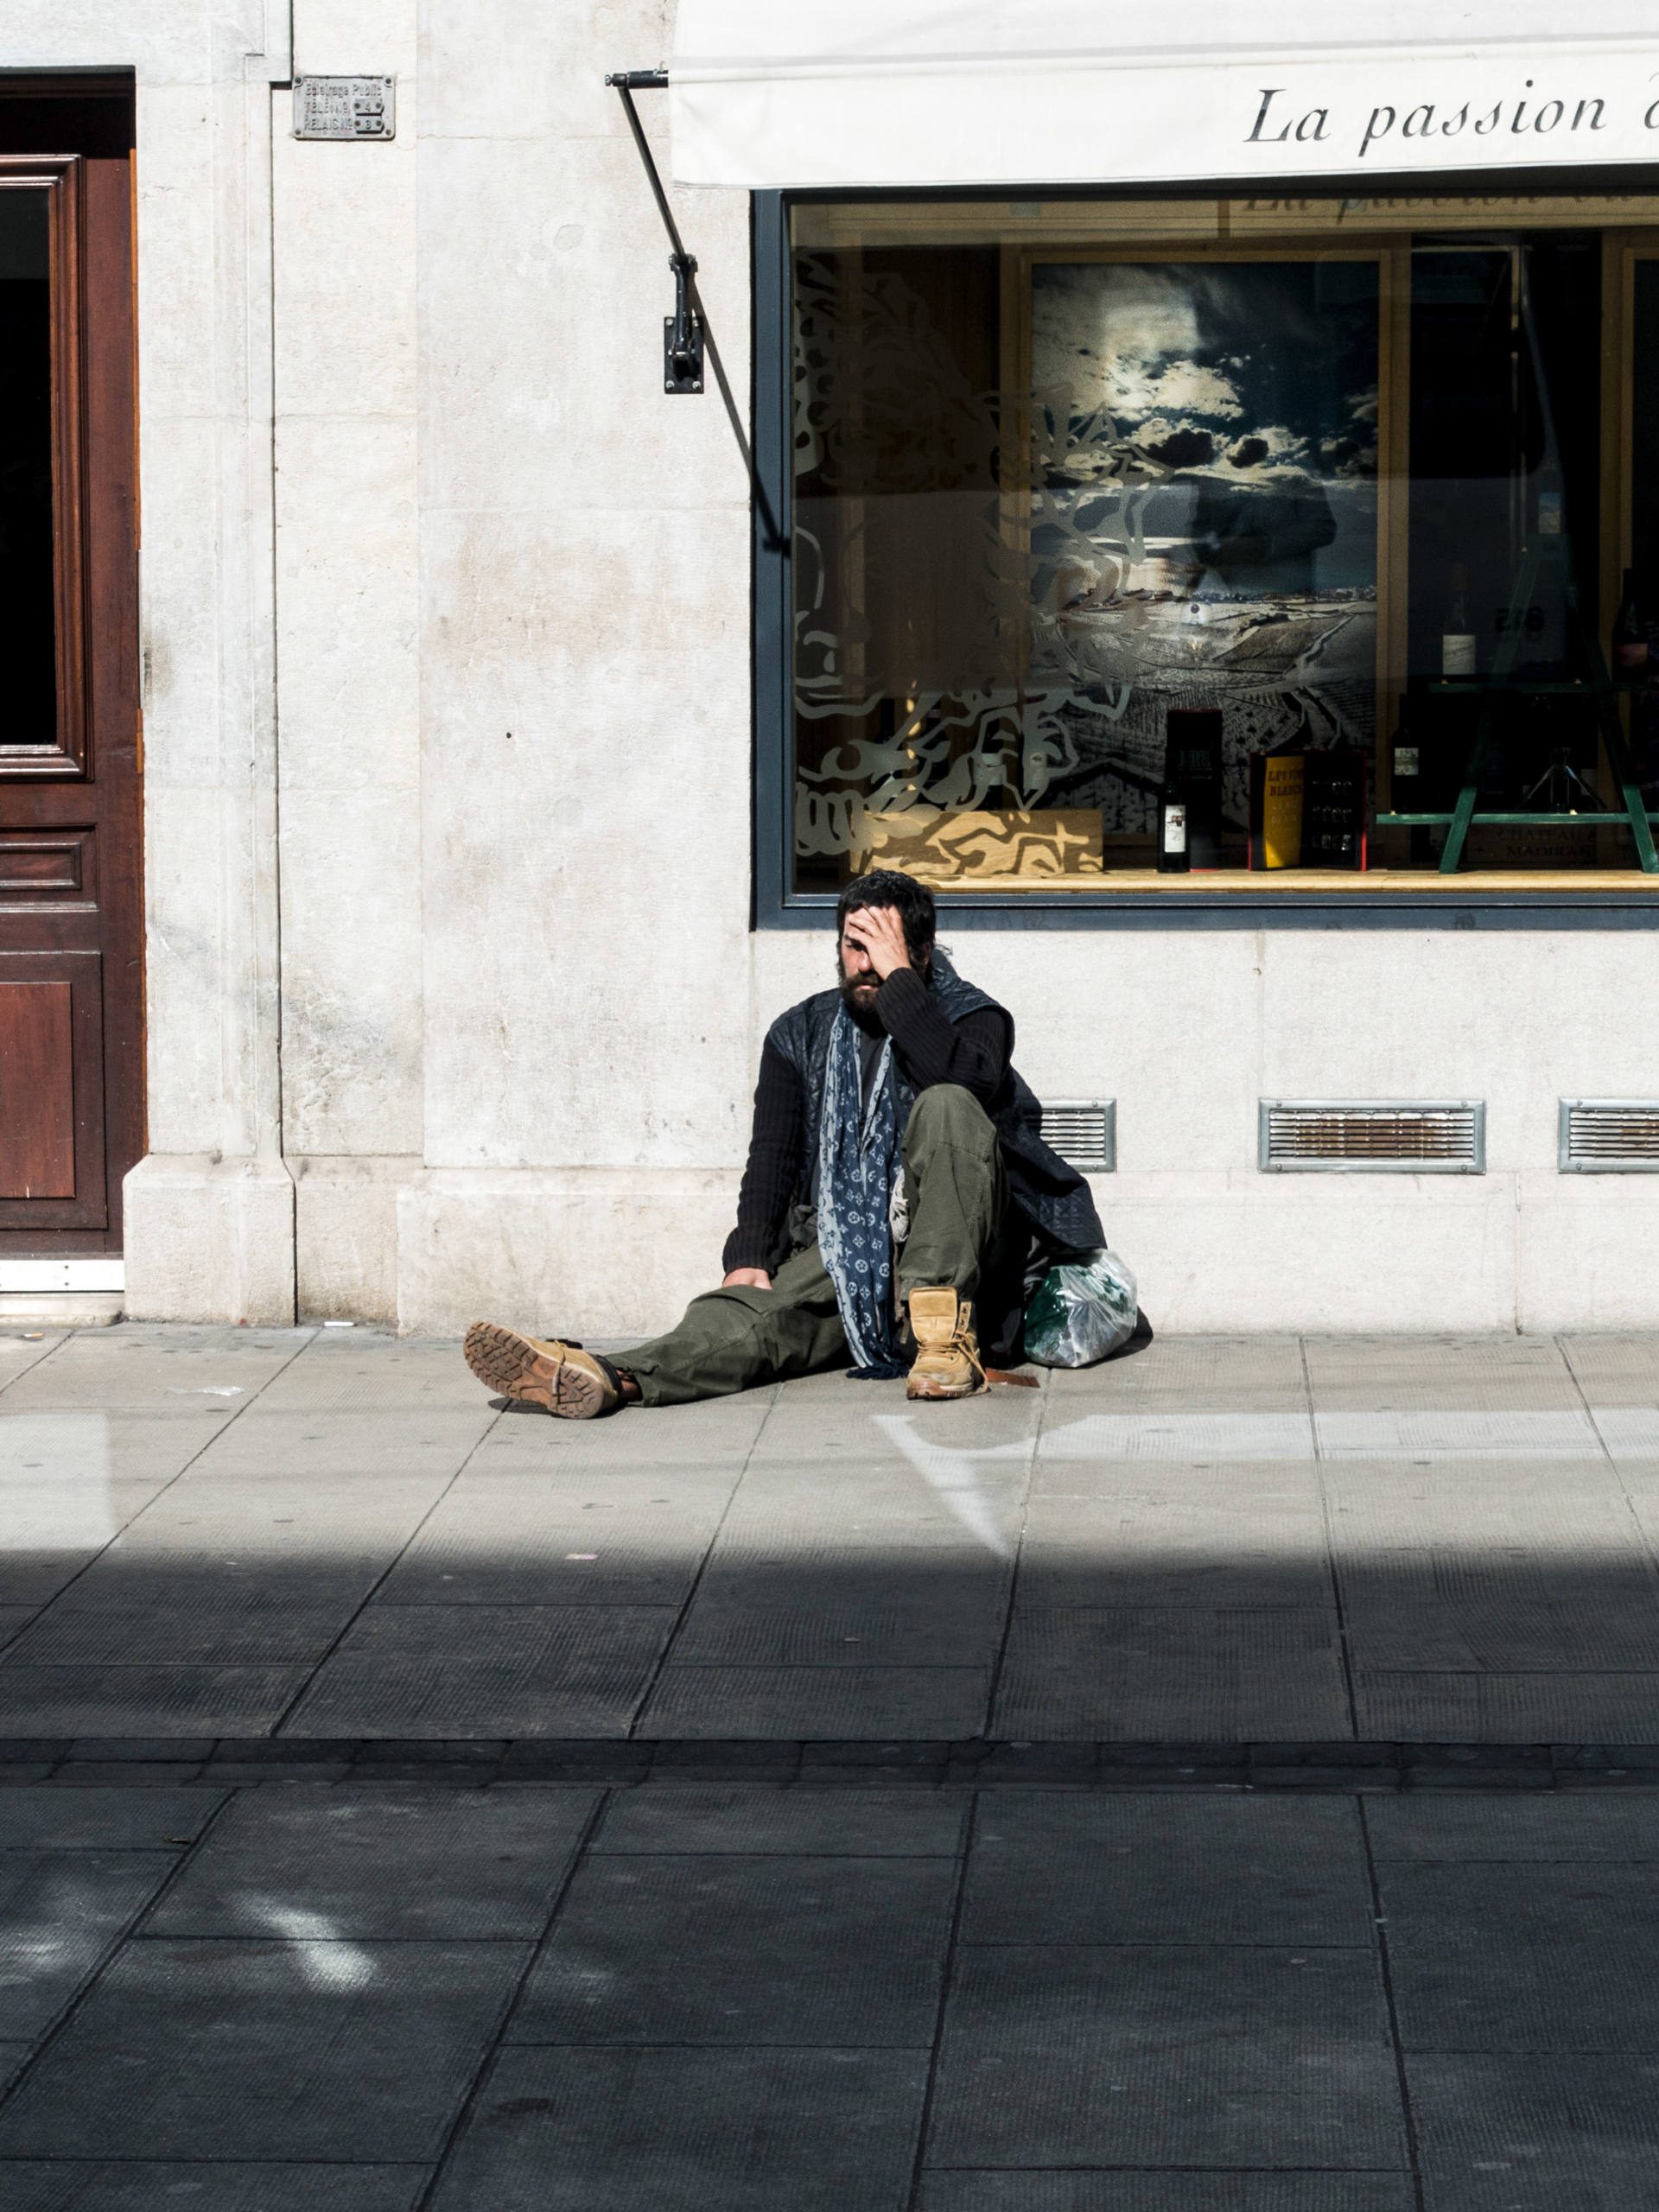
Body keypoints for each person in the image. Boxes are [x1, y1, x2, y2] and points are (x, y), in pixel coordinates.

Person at [462, 869, 1106, 1418]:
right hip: (851, 1250)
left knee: (945, 1106)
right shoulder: (799, 1032)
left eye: (880, 949)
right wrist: (749, 1252)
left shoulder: (975, 1019)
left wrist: (901, 984)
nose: (863, 964)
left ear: (921, 953)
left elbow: (958, 1081)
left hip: (968, 1267)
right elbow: (772, 1155)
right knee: (756, 1317)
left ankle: (942, 1343)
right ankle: (609, 1376)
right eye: (853, 946)